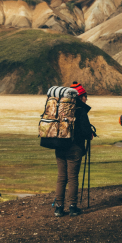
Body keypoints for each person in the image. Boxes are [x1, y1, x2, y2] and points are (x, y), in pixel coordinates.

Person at [54, 81, 94, 217]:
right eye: (85, 96)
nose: (86, 99)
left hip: (59, 145)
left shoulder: (59, 107)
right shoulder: (80, 110)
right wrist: (90, 134)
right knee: (72, 178)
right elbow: (85, 131)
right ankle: (72, 207)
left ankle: (58, 208)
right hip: (74, 147)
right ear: (80, 96)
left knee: (61, 177)